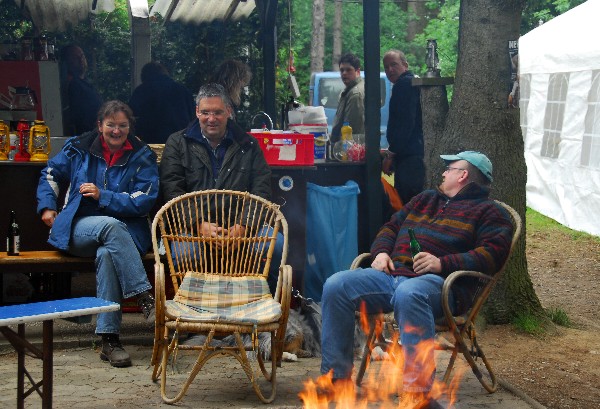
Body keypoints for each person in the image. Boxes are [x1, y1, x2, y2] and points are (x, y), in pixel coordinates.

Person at [320, 151, 514, 407]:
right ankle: (336, 380)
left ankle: (419, 394)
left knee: (410, 292)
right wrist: (380, 254)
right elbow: (390, 227)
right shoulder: (426, 199)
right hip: (390, 277)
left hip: (440, 287)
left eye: (449, 168)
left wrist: (442, 263)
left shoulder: (490, 212)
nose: (444, 172)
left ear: (463, 175)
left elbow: (492, 255)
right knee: (336, 285)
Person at [36, 100, 159, 368]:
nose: (117, 131)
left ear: (130, 127)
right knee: (109, 227)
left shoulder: (142, 154)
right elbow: (50, 173)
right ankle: (143, 295)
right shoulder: (78, 147)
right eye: (111, 125)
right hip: (79, 228)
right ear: (99, 125)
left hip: (129, 233)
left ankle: (109, 340)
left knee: (108, 251)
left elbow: (144, 200)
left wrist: (105, 196)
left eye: (123, 126)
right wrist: (47, 206)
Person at [160, 83, 283, 295]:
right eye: (205, 112)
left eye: (217, 112)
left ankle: (261, 311)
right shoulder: (177, 143)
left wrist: (243, 227)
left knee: (276, 245)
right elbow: (173, 191)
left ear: (228, 112)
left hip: (241, 227)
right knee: (184, 253)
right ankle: (195, 316)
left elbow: (261, 192)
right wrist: (198, 225)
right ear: (197, 112)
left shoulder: (249, 144)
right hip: (193, 229)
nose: (211, 118)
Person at [382, 50, 424, 205]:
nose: (390, 70)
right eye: (386, 67)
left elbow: (405, 123)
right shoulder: (409, 82)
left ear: (405, 65)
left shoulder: (404, 84)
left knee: (407, 205)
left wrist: (391, 154)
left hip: (410, 157)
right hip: (414, 154)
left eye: (394, 65)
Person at [129, 61, 195, 144]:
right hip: (180, 143)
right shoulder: (184, 91)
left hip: (151, 144)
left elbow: (130, 118)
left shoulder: (142, 91)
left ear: (144, 76)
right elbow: (194, 119)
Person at [61, 45, 103, 135]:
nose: (81, 60)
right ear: (67, 61)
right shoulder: (73, 85)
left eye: (82, 56)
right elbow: (76, 116)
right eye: (75, 57)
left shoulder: (85, 83)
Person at [330, 53, 365, 144]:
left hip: (351, 149)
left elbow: (351, 129)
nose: (344, 73)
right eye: (342, 70)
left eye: (348, 70)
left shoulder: (355, 94)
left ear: (357, 71)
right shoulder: (348, 90)